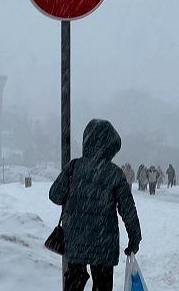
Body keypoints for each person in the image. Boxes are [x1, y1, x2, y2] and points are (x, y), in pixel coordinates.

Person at [49, 119, 141, 291]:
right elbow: (128, 210)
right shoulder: (115, 173)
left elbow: (54, 195)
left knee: (74, 284)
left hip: (75, 242)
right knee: (102, 286)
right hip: (104, 245)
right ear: (111, 146)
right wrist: (134, 238)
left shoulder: (74, 167)